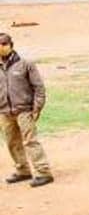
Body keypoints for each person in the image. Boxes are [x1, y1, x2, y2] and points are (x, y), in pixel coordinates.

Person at [0, 33, 52, 187]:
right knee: (12, 142)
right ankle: (23, 171)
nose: (1, 47)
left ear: (11, 45)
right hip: (5, 112)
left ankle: (43, 173)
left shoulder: (25, 64)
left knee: (30, 141)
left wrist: (37, 107)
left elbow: (39, 87)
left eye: (4, 43)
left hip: (24, 110)